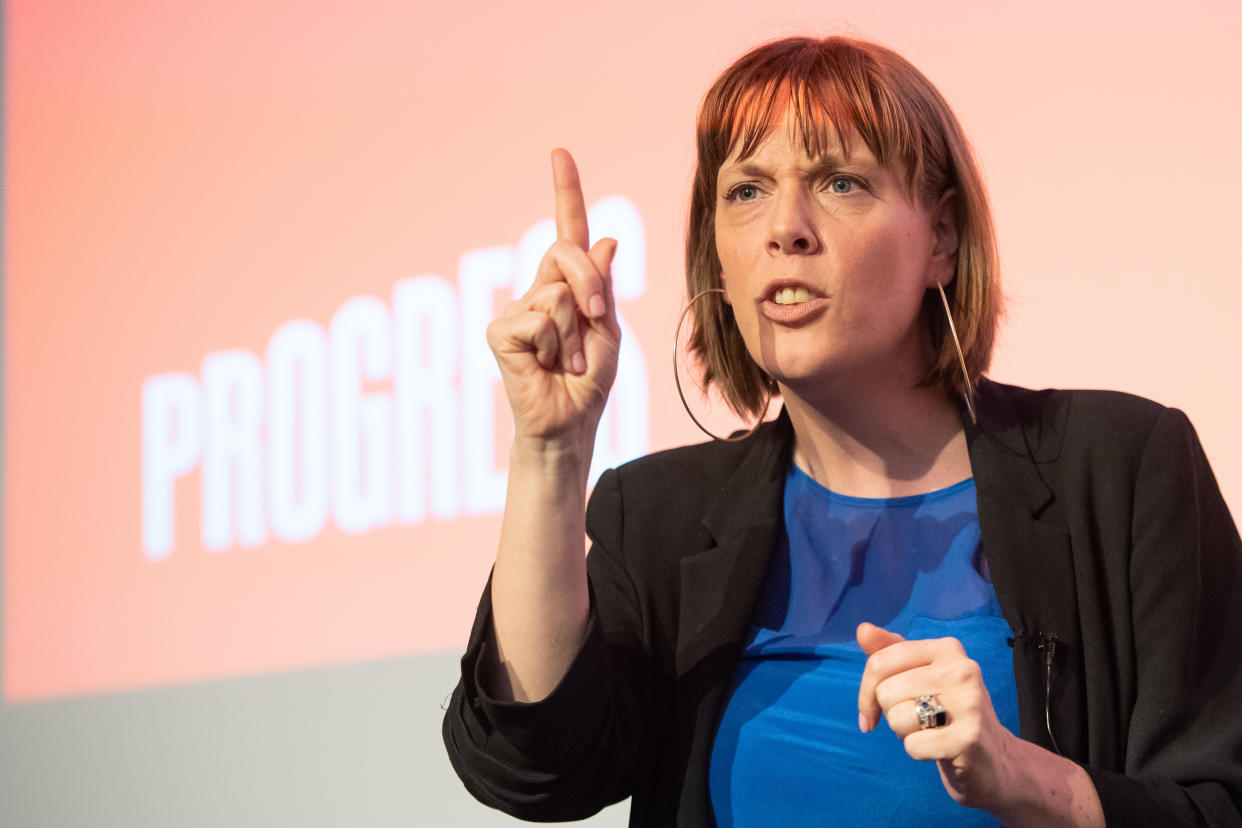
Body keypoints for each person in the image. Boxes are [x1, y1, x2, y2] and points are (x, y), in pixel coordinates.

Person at [441, 35, 1242, 826]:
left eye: (840, 183)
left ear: (944, 239)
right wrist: (550, 452)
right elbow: (535, 767)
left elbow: (1220, 803)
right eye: (747, 191)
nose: (785, 228)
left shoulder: (1124, 469)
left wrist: (1026, 780)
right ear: (718, 263)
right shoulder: (657, 518)